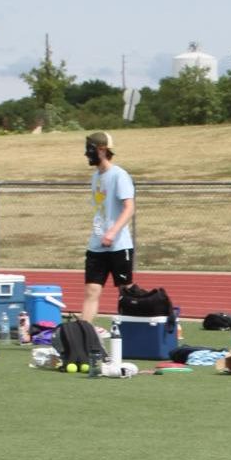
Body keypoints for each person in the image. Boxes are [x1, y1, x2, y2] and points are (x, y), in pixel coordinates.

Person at [81, 131, 135, 324]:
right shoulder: (96, 177)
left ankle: (133, 330)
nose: (87, 154)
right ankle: (84, 333)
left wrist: (112, 232)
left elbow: (129, 208)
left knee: (126, 290)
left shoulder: (119, 175)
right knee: (91, 290)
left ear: (102, 150)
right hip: (97, 244)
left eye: (90, 149)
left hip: (119, 245)